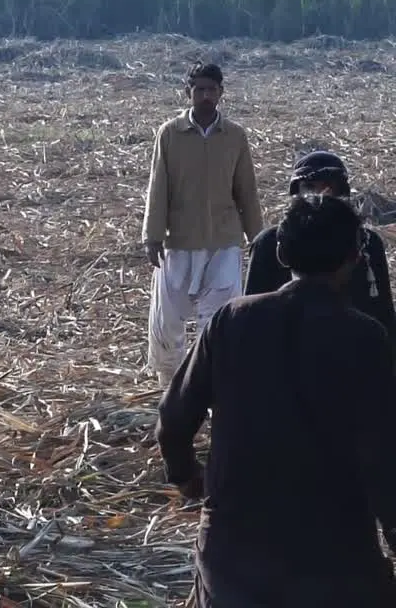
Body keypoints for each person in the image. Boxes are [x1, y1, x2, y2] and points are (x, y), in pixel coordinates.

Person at [157, 194, 396, 607]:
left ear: (281, 253)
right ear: (354, 258)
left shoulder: (230, 321)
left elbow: (174, 418)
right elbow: (382, 456)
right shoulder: (365, 338)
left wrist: (186, 476)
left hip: (234, 566)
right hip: (336, 565)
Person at [141, 63, 263, 388]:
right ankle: (170, 386)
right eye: (200, 90)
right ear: (188, 93)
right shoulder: (170, 133)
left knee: (220, 319)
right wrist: (152, 237)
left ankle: (214, 386)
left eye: (212, 90)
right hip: (178, 240)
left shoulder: (235, 136)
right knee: (168, 320)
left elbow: (246, 191)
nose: (206, 96)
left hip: (223, 241)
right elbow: (158, 187)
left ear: (222, 93)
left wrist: (260, 238)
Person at [244, 150, 396, 355]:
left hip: (350, 354)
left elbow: (383, 313)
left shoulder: (366, 243)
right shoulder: (269, 243)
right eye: (309, 187)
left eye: (330, 187)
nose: (321, 196)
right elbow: (252, 313)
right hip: (282, 354)